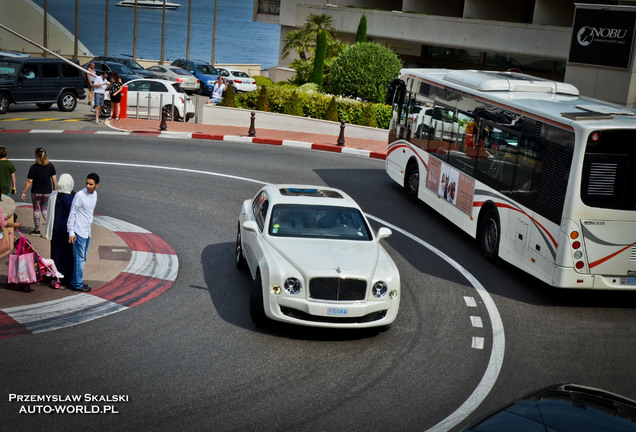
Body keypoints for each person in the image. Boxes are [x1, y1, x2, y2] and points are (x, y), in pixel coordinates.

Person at [67, 173, 99, 292]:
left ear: (97, 185)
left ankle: (74, 281)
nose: (88, 186)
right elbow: (72, 213)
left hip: (87, 231)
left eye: (91, 184)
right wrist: (71, 232)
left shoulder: (95, 194)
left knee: (82, 258)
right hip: (78, 231)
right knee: (79, 259)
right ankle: (77, 283)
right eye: (87, 183)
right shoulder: (80, 195)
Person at [43, 173, 75, 286]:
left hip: (55, 229)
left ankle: (54, 274)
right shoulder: (71, 199)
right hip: (66, 231)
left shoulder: (54, 195)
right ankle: (66, 276)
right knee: (67, 255)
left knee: (56, 254)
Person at [21, 147, 57, 236]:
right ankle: (52, 227)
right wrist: (54, 189)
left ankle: (37, 230)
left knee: (36, 210)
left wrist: (24, 192)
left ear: (36, 156)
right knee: (45, 209)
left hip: (36, 192)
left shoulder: (34, 167)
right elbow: (54, 179)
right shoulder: (50, 165)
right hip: (47, 191)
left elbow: (29, 181)